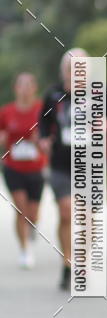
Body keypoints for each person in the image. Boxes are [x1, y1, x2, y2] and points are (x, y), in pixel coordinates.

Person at [39, 49, 107, 290]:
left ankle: (81, 263)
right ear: (64, 70)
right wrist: (44, 139)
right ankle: (67, 262)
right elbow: (43, 122)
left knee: (87, 218)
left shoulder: (99, 92)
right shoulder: (53, 95)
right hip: (61, 164)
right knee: (66, 212)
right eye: (72, 67)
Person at [0, 73, 47, 268]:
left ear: (34, 88)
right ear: (16, 89)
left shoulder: (42, 110)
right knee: (20, 208)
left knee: (32, 213)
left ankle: (32, 226)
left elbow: (49, 134)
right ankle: (24, 249)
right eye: (21, 85)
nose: (25, 89)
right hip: (13, 166)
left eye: (29, 85)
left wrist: (42, 140)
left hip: (36, 167)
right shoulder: (6, 112)